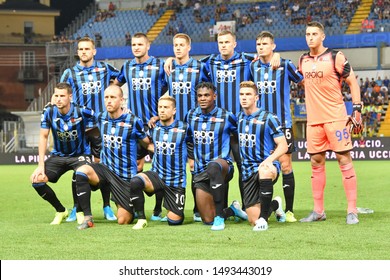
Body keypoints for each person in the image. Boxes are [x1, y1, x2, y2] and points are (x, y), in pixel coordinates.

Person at [298, 21, 363, 224]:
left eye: (314, 34)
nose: (310, 37)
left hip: (336, 118)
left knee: (344, 161)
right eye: (308, 34)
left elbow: (352, 81)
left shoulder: (335, 56)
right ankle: (318, 211)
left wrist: (357, 109)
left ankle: (352, 210)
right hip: (314, 121)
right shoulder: (303, 60)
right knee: (316, 163)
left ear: (322, 36)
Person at [150, 33, 209, 222]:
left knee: (194, 168)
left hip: (192, 127)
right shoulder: (169, 67)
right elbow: (157, 93)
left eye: (181, 45)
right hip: (170, 127)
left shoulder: (199, 67)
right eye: (175, 45)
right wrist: (158, 114)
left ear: (189, 47)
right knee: (162, 167)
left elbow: (207, 92)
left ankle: (197, 209)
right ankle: (158, 208)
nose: (178, 48)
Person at [74, 85, 151, 229]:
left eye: (113, 97)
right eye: (106, 97)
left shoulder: (133, 121)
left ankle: (131, 208)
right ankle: (87, 217)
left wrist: (142, 160)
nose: (109, 101)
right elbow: (79, 110)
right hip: (105, 170)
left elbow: (146, 143)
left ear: (122, 100)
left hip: (125, 177)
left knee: (123, 220)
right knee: (81, 171)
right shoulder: (101, 117)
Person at [60, 36, 120, 222]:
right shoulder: (70, 73)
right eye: (81, 49)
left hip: (101, 127)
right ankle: (76, 208)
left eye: (87, 49)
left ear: (94, 51)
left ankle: (106, 207)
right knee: (78, 168)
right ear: (77, 52)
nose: (84, 52)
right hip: (78, 129)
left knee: (104, 166)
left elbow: (121, 80)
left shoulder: (105, 69)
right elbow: (60, 94)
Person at [250, 31, 304, 223]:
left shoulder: (285, 64)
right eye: (258, 44)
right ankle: (261, 205)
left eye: (265, 43)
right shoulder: (253, 66)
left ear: (273, 46)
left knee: (286, 165)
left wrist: (279, 58)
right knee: (261, 164)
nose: (261, 46)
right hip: (259, 125)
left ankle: (289, 211)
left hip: (282, 124)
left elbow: (302, 79)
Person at [114, 32, 167, 221]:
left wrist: (160, 113)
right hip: (134, 127)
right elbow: (115, 85)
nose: (136, 47)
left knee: (160, 167)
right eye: (133, 45)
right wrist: (121, 104)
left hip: (155, 125)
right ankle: (134, 206)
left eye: (140, 44)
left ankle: (158, 209)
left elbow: (171, 88)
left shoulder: (160, 65)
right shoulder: (127, 67)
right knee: (132, 167)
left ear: (148, 46)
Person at [30, 83, 95, 225]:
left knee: (80, 175)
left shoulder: (82, 111)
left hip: (80, 155)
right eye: (56, 95)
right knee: (36, 180)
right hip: (58, 156)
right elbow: (43, 137)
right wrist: (40, 165)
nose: (58, 99)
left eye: (62, 96)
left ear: (70, 97)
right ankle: (60, 210)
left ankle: (79, 211)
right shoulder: (48, 111)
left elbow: (101, 120)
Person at [185, 82, 247, 231]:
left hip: (223, 165)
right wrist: (191, 158)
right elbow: (188, 139)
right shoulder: (191, 115)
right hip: (201, 171)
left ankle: (220, 217)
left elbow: (242, 135)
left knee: (213, 166)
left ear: (214, 96)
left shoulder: (227, 116)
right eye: (200, 96)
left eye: (206, 95)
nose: (203, 98)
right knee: (207, 220)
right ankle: (232, 210)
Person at [129, 95, 190, 229]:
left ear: (174, 111)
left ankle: (172, 209)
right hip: (156, 176)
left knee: (174, 222)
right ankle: (141, 218)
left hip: (176, 181)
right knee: (135, 181)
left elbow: (193, 145)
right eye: (160, 107)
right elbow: (147, 143)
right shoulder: (153, 127)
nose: (162, 110)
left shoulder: (185, 128)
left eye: (166, 107)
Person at [237, 81, 288, 231]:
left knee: (264, 170)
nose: (244, 98)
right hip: (247, 171)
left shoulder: (268, 118)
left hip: (266, 166)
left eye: (248, 94)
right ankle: (276, 204)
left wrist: (269, 160)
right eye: (241, 94)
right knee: (252, 219)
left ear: (256, 98)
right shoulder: (239, 117)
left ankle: (264, 220)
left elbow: (283, 145)